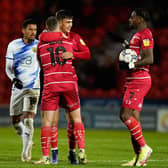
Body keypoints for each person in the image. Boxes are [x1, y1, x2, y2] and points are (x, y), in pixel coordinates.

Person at [34, 16, 88, 165]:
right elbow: (80, 54)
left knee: (47, 122)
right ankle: (81, 150)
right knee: (76, 119)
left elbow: (40, 63)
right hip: (69, 84)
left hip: (51, 85)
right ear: (58, 26)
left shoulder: (41, 45)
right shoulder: (68, 42)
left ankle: (46, 157)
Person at [54, 9, 91, 164]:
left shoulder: (75, 37)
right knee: (52, 121)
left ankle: (74, 151)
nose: (71, 25)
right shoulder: (49, 37)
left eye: (71, 22)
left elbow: (87, 53)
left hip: (70, 82)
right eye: (67, 22)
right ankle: (52, 154)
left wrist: (73, 54)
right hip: (54, 82)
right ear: (59, 22)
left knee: (72, 120)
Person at [118, 8, 154, 167]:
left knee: (125, 115)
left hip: (139, 80)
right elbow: (139, 55)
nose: (129, 20)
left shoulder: (145, 34)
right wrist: (128, 49)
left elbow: (149, 58)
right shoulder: (137, 36)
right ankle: (139, 157)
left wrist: (131, 63)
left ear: (139, 18)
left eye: (132, 18)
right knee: (135, 121)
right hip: (133, 78)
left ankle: (145, 148)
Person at [5, 19, 40, 162]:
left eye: (35, 30)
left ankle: (25, 152)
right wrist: (13, 78)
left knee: (29, 120)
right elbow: (8, 67)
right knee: (15, 121)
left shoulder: (40, 46)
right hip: (18, 87)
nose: (33, 32)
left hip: (33, 87)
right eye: (30, 29)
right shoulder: (13, 45)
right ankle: (27, 139)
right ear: (23, 30)